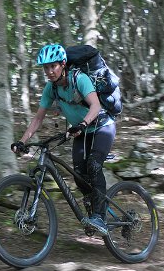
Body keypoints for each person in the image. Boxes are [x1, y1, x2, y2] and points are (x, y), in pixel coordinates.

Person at [12, 43, 116, 236]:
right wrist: (22, 141)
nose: (49, 71)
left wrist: (83, 124)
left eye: (53, 66)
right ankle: (92, 209)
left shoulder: (80, 79)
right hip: (79, 132)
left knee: (93, 165)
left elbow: (95, 106)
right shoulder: (51, 89)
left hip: (102, 127)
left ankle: (100, 217)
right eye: (46, 67)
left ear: (63, 64)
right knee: (78, 175)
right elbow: (38, 118)